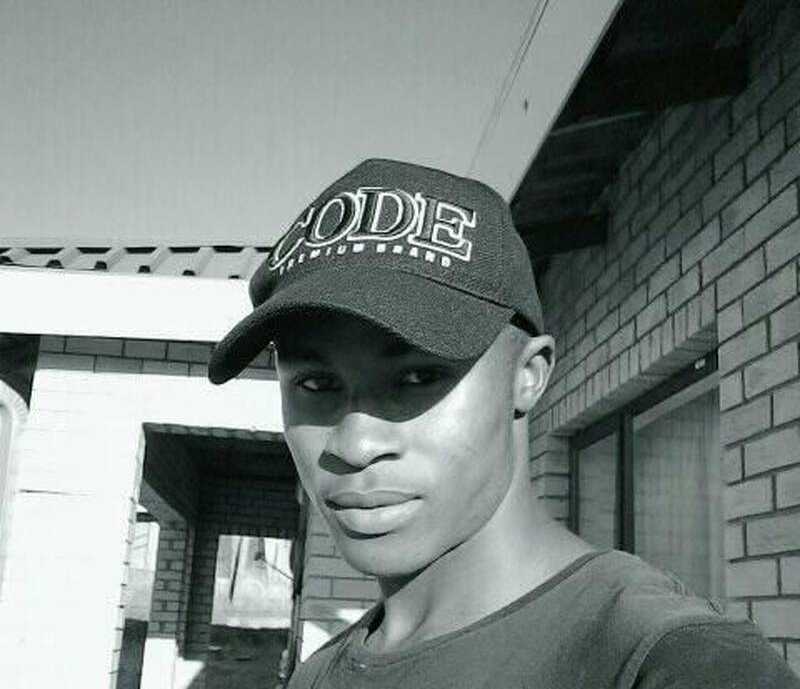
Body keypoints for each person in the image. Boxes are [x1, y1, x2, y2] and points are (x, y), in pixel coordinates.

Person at [208, 159, 799, 688]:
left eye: (417, 376)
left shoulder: (676, 663)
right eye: (316, 385)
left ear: (528, 376)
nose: (356, 444)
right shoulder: (317, 674)